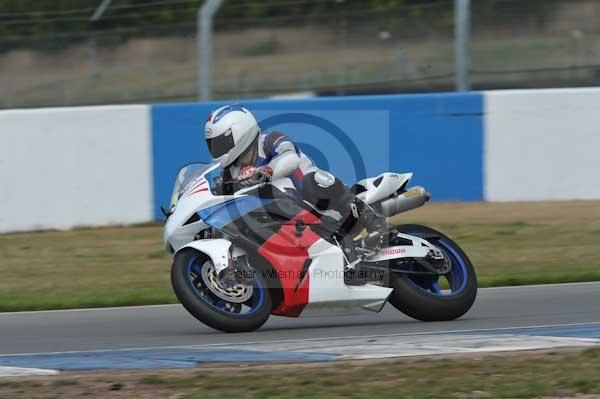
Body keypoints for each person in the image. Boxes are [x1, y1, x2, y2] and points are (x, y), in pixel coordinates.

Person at [204, 104, 394, 282]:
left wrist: (265, 172)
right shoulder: (230, 171)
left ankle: (376, 223)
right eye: (212, 144)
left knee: (313, 181)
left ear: (239, 133)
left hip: (313, 199)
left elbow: (290, 158)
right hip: (284, 218)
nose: (216, 149)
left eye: (220, 143)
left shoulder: (270, 140)